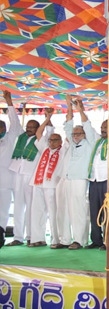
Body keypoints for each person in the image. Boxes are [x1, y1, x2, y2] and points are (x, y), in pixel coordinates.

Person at [7, 97, 53, 246]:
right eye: (28, 126)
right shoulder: (20, 136)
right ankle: (17, 237)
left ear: (38, 128)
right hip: (17, 173)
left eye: (32, 127)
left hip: (31, 176)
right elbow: (14, 120)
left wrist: (48, 118)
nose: (28, 129)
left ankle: (31, 236)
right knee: (18, 206)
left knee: (32, 206)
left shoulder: (42, 140)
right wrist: (9, 103)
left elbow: (51, 131)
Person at [58, 96, 95, 250]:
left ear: (85, 134)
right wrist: (69, 106)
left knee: (78, 210)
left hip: (80, 180)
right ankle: (65, 239)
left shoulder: (90, 142)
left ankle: (79, 240)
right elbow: (68, 125)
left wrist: (80, 110)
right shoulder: (72, 142)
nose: (76, 136)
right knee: (65, 210)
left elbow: (87, 124)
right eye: (74, 134)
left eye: (79, 133)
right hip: (67, 179)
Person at [29, 109, 67, 248]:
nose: (51, 142)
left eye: (55, 140)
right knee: (37, 211)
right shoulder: (44, 147)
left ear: (60, 141)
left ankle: (56, 240)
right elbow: (39, 133)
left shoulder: (63, 151)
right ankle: (37, 238)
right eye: (50, 140)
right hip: (38, 183)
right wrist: (47, 118)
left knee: (53, 213)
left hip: (52, 186)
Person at [0, 91, 21, 243]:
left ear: (4, 129)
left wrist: (9, 102)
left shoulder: (10, 137)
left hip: (7, 181)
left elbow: (15, 122)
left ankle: (2, 235)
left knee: (4, 210)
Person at [86, 117, 109, 250]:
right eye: (102, 127)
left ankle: (108, 240)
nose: (102, 129)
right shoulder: (98, 142)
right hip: (94, 180)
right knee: (94, 212)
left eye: (105, 127)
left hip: (107, 180)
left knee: (107, 213)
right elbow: (88, 127)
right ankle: (96, 240)